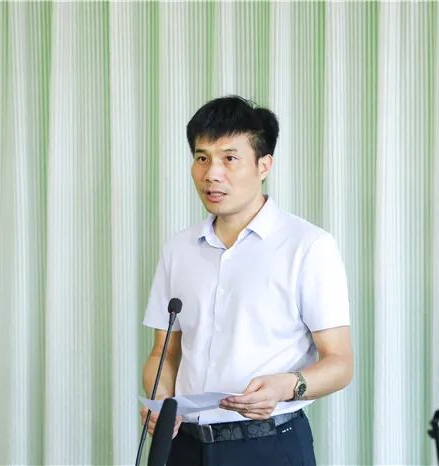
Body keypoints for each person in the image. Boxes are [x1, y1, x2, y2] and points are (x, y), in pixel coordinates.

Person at [141, 96, 353, 466]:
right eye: (202, 158)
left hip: (268, 445)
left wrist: (287, 386)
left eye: (229, 158)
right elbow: (164, 353)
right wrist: (161, 402)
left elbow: (340, 362)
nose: (212, 174)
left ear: (263, 164)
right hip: (184, 446)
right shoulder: (178, 249)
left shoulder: (308, 246)